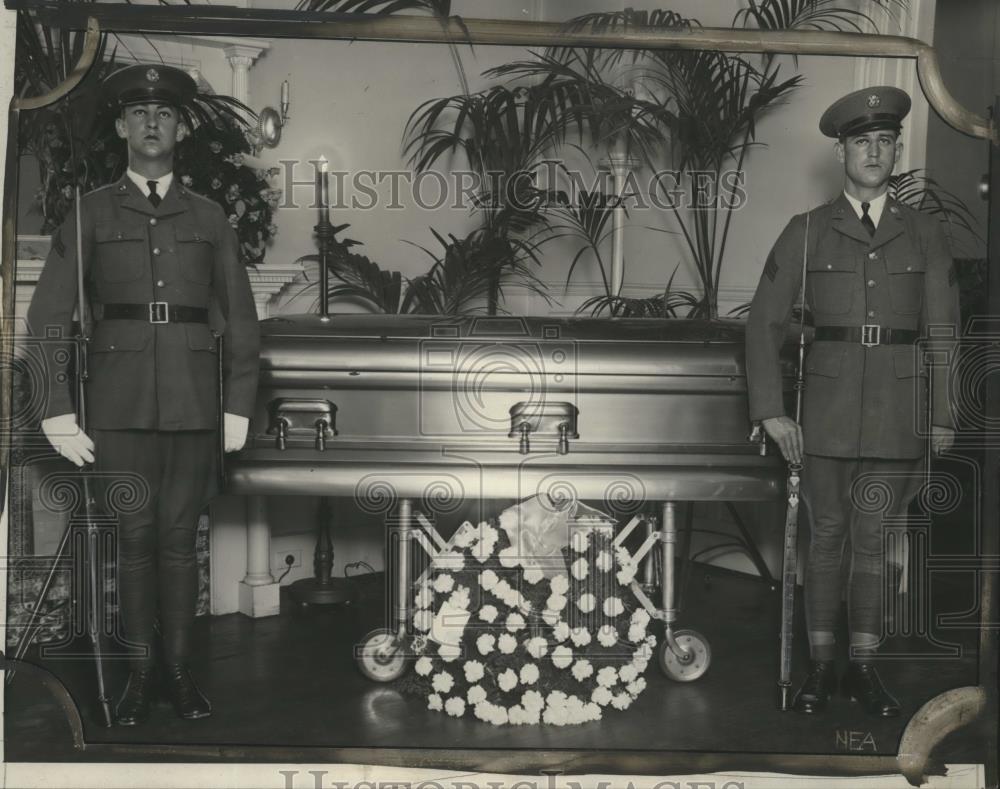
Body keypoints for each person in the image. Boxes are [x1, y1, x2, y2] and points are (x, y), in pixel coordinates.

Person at [27, 64, 260, 725]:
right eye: (140, 113)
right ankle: (137, 677)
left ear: (180, 129)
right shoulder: (89, 212)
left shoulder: (211, 218)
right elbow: (48, 317)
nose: (153, 122)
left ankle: (180, 676)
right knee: (133, 540)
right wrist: (56, 408)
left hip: (194, 401)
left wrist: (237, 402)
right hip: (118, 404)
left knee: (181, 541)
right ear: (122, 126)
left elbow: (240, 316)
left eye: (165, 113)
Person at [745, 86, 959, 717]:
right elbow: (762, 325)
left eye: (885, 142)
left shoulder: (924, 234)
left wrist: (943, 413)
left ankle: (863, 670)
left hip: (898, 411)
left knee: (874, 539)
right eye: (862, 141)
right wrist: (771, 411)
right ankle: (820, 669)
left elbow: (944, 328)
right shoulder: (806, 232)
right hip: (826, 416)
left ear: (896, 151)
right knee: (829, 535)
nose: (875, 152)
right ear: (842, 151)